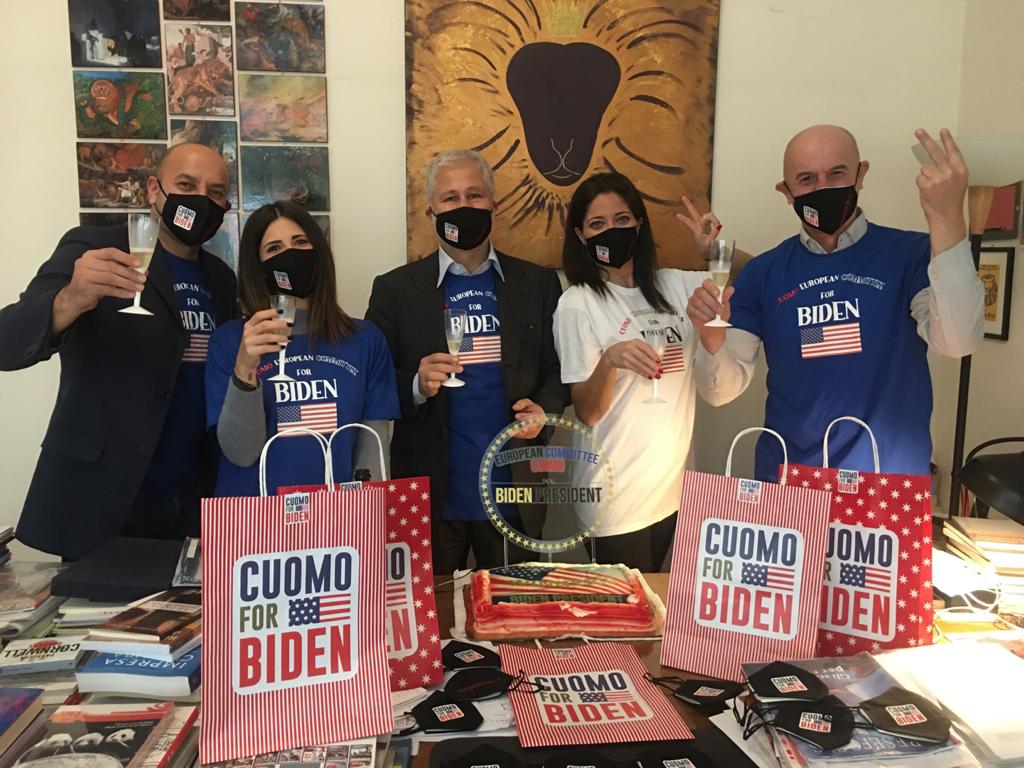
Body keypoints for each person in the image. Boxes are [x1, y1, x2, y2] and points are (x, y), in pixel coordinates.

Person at [685, 126, 984, 480]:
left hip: (888, 486)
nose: (823, 188)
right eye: (807, 179)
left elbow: (958, 342)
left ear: (861, 174)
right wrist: (712, 341)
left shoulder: (912, 255)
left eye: (837, 173)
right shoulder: (762, 273)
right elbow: (719, 392)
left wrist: (948, 220)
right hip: (789, 483)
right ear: (786, 192)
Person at [0, 143, 237, 559]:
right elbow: (7, 342)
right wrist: (70, 298)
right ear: (154, 189)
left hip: (191, 501)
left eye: (215, 192)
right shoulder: (94, 250)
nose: (201, 199)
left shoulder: (221, 278)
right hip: (102, 497)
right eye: (186, 185)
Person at [366, 149, 566, 573]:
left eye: (474, 195)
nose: (463, 206)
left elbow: (555, 371)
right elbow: (372, 382)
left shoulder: (539, 283)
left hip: (513, 487)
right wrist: (416, 384)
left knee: (513, 605)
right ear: (431, 211)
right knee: (435, 609)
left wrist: (544, 411)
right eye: (450, 198)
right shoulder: (394, 290)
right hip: (431, 493)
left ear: (494, 204)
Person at [553, 172, 723, 571]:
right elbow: (587, 412)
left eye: (622, 220)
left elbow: (758, 277)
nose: (611, 231)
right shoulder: (577, 304)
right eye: (597, 224)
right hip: (614, 500)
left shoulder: (676, 286)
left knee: (662, 602)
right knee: (628, 610)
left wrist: (714, 253)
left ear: (639, 224)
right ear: (580, 235)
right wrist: (610, 361)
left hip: (672, 491)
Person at [206, 201, 399, 495]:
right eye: (274, 248)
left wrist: (369, 513)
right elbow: (241, 452)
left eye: (300, 242)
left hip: (336, 515)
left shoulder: (366, 340)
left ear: (318, 252)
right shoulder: (230, 341)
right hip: (254, 515)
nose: (290, 254)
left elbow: (372, 448)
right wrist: (245, 368)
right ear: (257, 266)